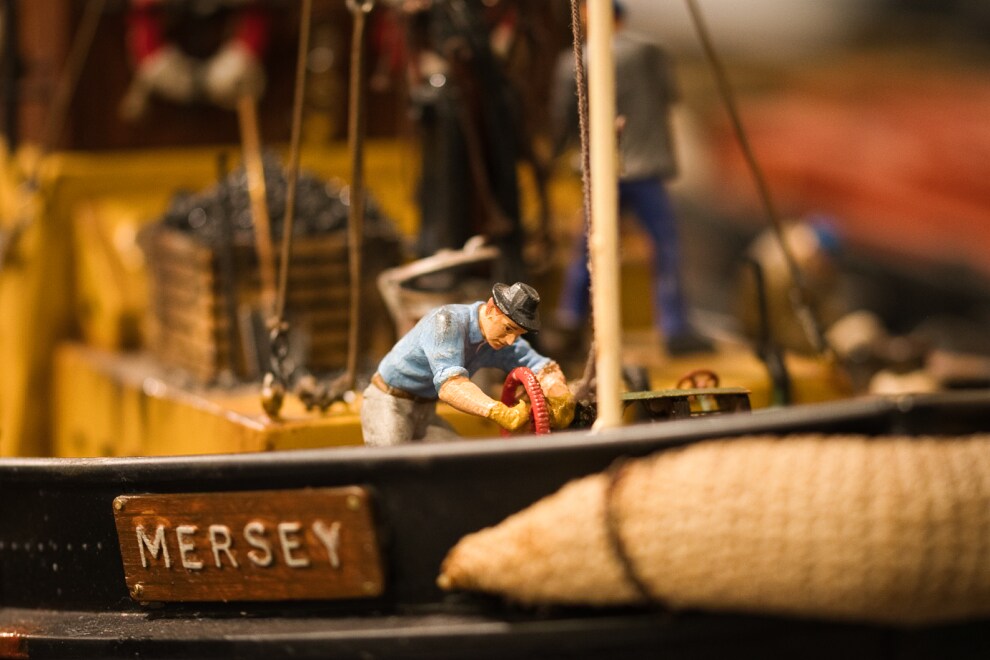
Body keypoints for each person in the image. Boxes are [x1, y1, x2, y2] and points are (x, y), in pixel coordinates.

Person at [549, 0, 713, 356]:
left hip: (603, 167)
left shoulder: (571, 61)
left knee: (588, 248)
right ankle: (675, 328)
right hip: (645, 166)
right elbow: (670, 95)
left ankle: (570, 321)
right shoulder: (650, 51)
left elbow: (563, 117)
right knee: (664, 247)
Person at [361, 282, 575, 446]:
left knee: (459, 463)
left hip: (425, 412)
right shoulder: (447, 323)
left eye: (518, 334)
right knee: (392, 468)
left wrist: (560, 397)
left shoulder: (499, 339)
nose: (511, 341)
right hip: (388, 404)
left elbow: (543, 367)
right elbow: (451, 386)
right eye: (508, 329)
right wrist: (499, 412)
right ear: (491, 309)